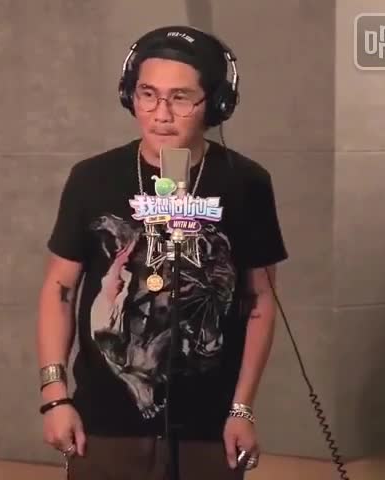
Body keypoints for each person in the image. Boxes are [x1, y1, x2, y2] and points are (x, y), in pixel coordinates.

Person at [36, 25, 288, 480]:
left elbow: (260, 301)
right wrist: (55, 396)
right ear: (129, 95)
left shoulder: (246, 183)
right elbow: (59, 289)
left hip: (210, 430)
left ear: (217, 103)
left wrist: (242, 409)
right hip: (103, 425)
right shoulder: (92, 178)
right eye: (147, 95)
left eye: (181, 98)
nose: (161, 114)